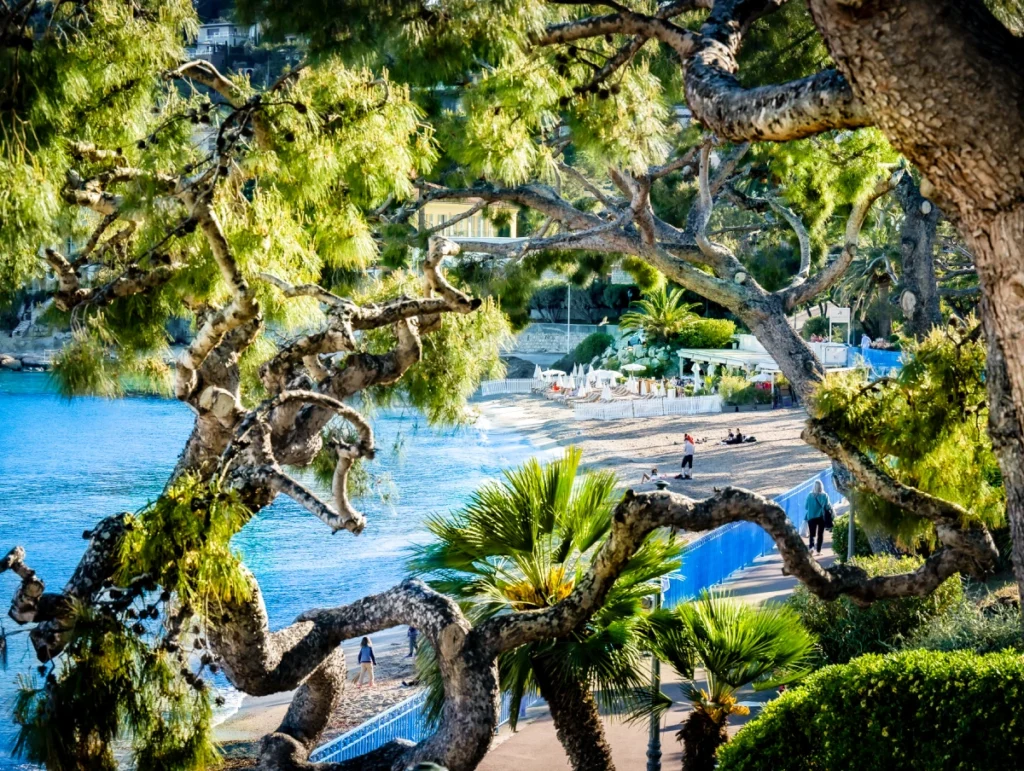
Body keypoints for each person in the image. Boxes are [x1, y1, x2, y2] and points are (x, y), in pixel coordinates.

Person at [804, 480, 833, 555]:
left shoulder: (809, 495)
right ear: (821, 486)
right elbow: (827, 506)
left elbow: (806, 507)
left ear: (814, 487)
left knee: (812, 534)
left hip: (811, 517)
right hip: (821, 517)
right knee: (820, 534)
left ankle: (811, 548)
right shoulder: (824, 495)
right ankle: (818, 551)